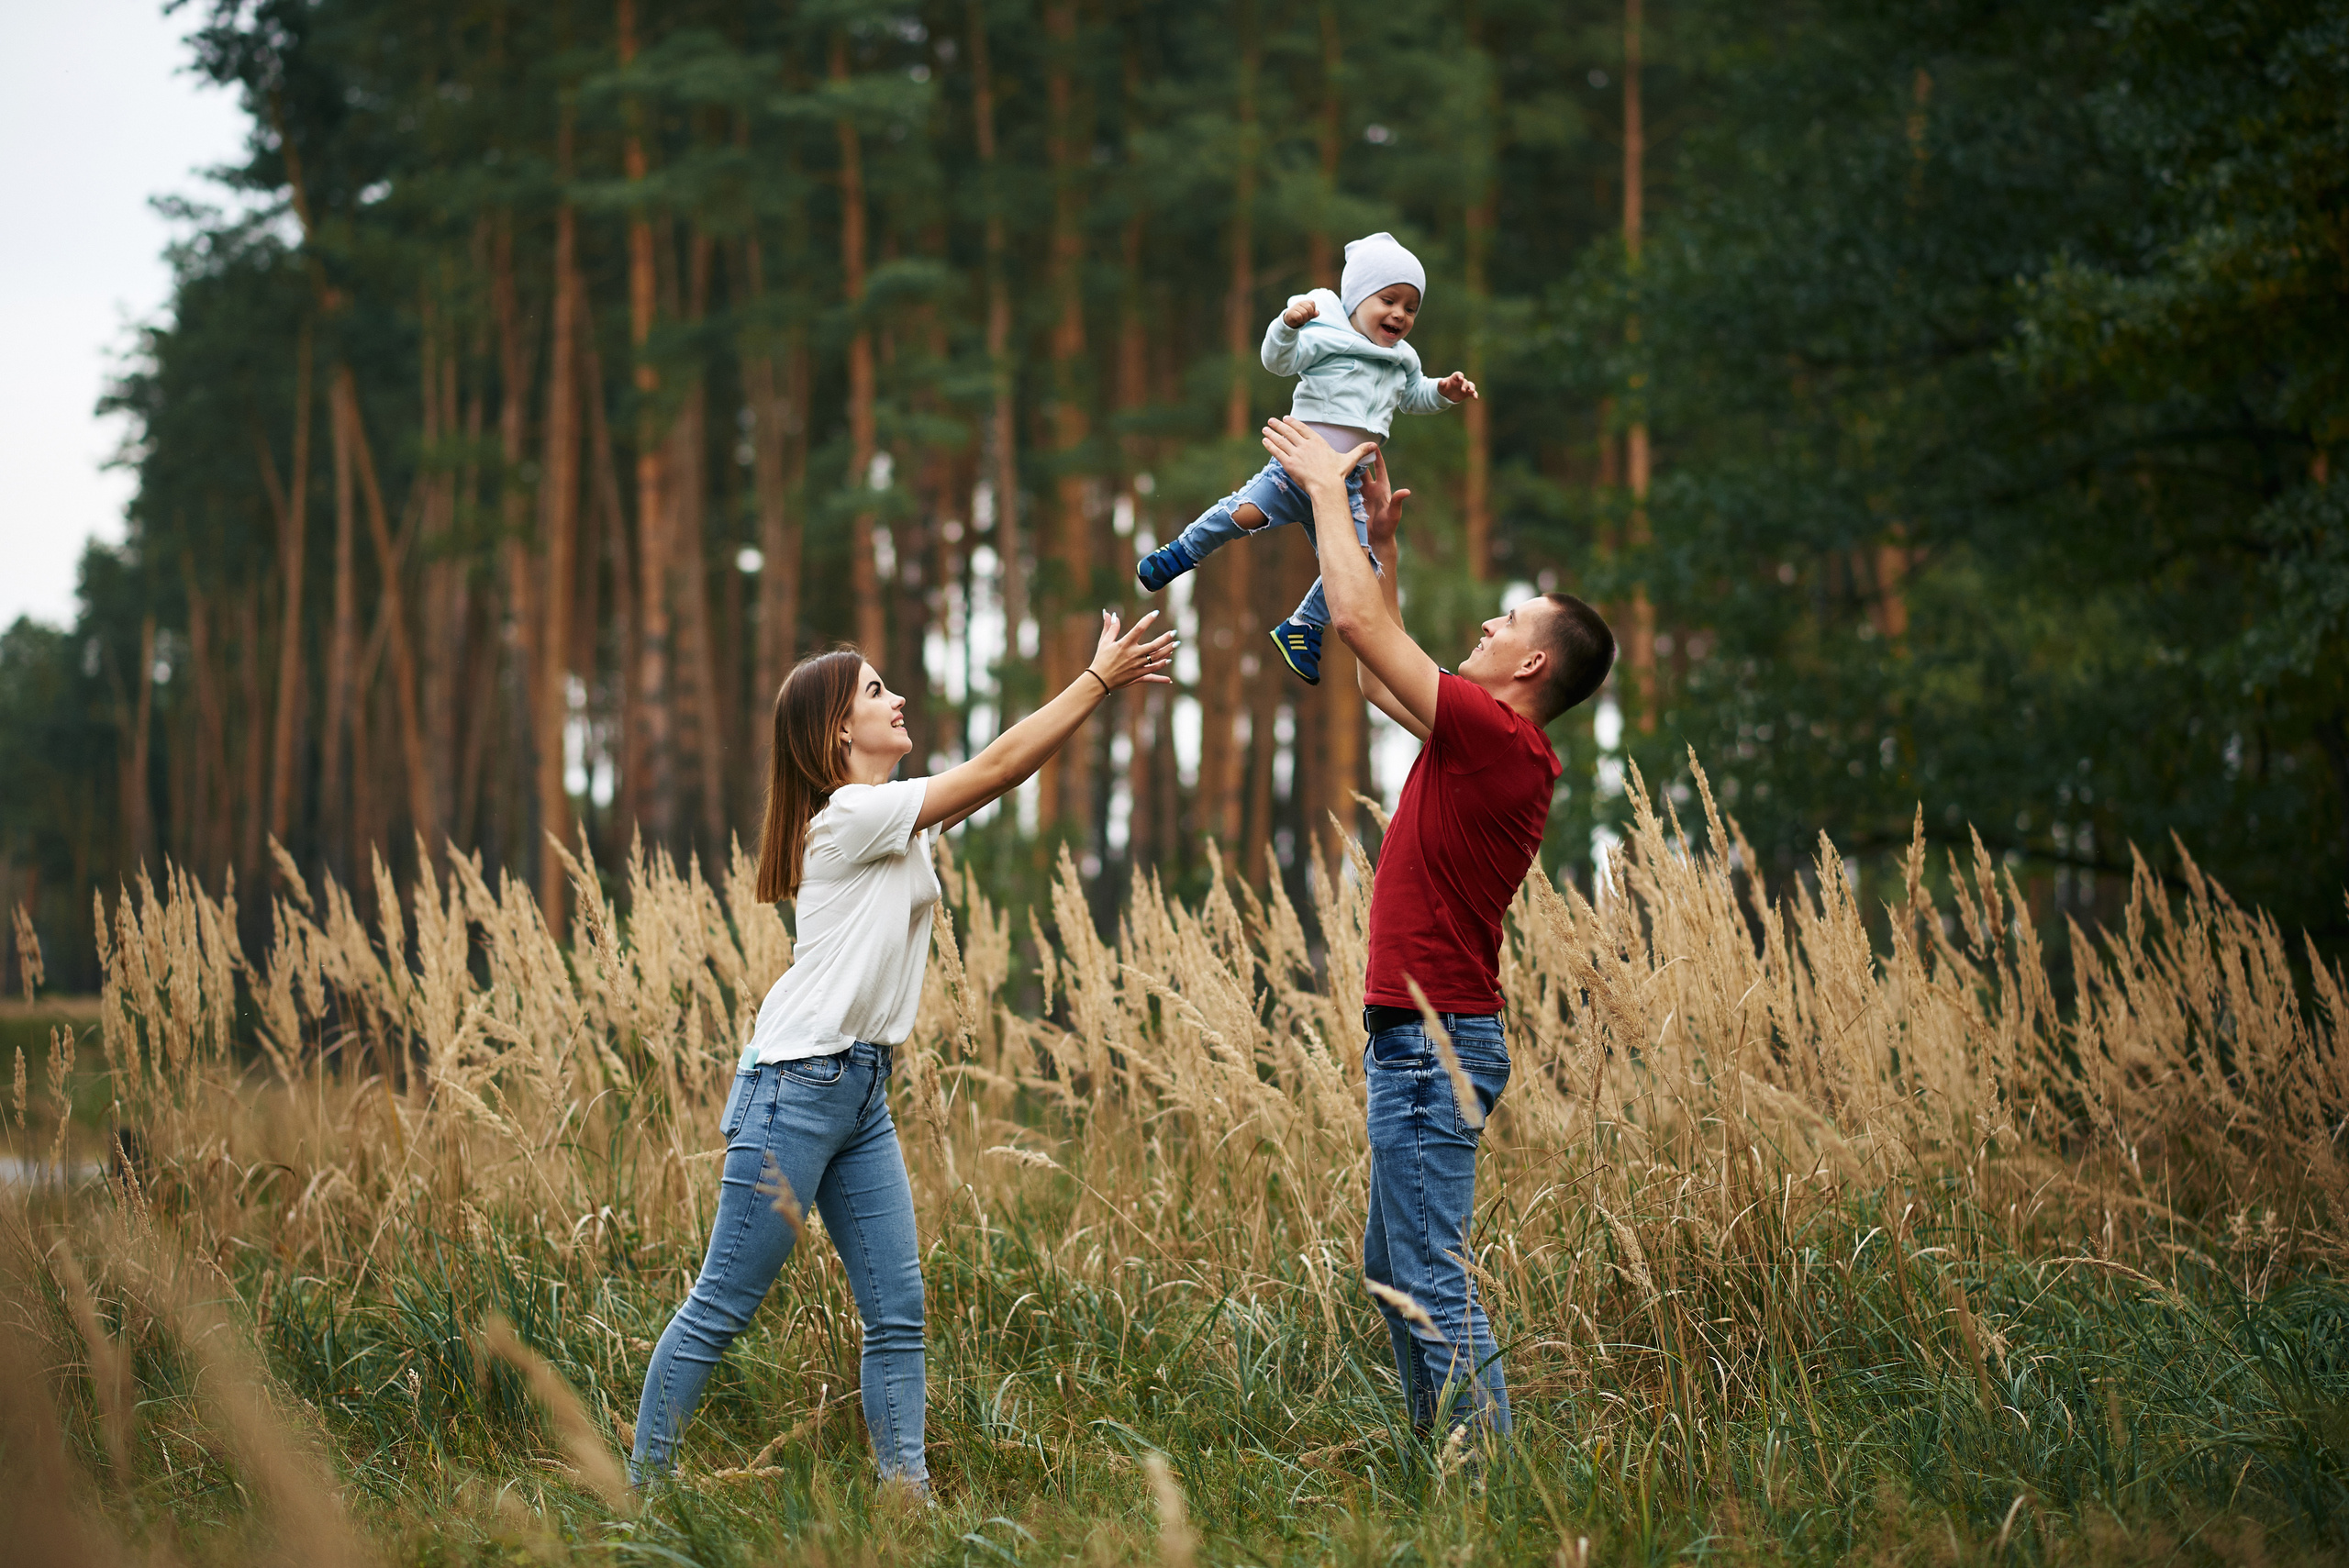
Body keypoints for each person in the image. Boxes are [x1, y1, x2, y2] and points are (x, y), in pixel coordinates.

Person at [629, 610, 1175, 1492]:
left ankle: (906, 1504)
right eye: (877, 689)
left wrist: (1094, 694)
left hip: (859, 1089)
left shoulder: (889, 818)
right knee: (724, 1302)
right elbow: (998, 768)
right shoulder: (851, 815)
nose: (899, 697)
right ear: (838, 729)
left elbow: (994, 777)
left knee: (897, 1309)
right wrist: (1098, 681)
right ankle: (643, 1493)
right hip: (796, 1089)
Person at [1257, 414, 1614, 1445]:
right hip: (1426, 1038)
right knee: (1398, 1268)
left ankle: (1486, 1487)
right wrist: (1379, 537)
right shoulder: (1487, 740)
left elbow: (1365, 634)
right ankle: (1449, 1461)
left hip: (1429, 1045)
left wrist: (1325, 491)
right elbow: (1374, 673)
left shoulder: (1498, 738)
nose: (1489, 626)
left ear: (1533, 661)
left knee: (1427, 1274)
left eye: (1506, 620)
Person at [1134, 232, 1477, 686]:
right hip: (1297, 466)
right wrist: (1287, 325)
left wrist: (1443, 391)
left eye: (1411, 308)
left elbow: (1414, 396)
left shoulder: (1402, 359)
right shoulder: (1327, 334)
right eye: (1388, 300)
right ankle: (1180, 552)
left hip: (1348, 483)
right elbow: (1278, 361)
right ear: (1356, 298)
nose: (1399, 314)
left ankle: (1302, 627)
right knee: (1246, 513)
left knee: (1364, 568)